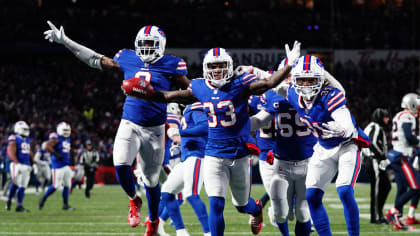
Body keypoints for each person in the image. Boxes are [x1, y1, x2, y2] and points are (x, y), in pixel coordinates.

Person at [128, 42, 301, 236]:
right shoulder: (200, 87)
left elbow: (269, 83)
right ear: (205, 68)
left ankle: (256, 209)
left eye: (220, 65)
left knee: (242, 205)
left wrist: (290, 64)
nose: (217, 70)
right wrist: (146, 94)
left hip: (239, 155)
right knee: (216, 203)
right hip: (213, 155)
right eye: (212, 66)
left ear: (229, 66)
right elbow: (168, 96)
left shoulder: (241, 84)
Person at [44, 21, 190, 235]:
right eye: (144, 43)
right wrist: (66, 41)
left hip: (155, 128)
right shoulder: (127, 57)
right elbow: (94, 59)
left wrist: (163, 96)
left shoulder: (172, 64)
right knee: (120, 163)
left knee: (151, 180)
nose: (147, 48)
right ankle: (133, 200)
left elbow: (192, 92)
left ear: (161, 45)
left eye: (151, 44)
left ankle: (154, 222)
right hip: (129, 121)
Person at [271, 55, 370, 236]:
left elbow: (346, 122)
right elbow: (270, 83)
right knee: (312, 197)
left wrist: (343, 130)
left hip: (346, 145)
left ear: (321, 79)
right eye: (302, 79)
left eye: (312, 80)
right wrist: (252, 70)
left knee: (345, 190)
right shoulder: (292, 93)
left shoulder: (329, 95)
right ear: (294, 79)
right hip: (323, 147)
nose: (307, 84)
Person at [161, 102, 210, 236]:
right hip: (187, 157)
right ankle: (181, 231)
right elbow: (194, 133)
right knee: (167, 191)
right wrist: (182, 146)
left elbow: (205, 127)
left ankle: (209, 232)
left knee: (191, 194)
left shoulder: (196, 107)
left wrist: (180, 132)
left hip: (197, 156)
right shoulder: (189, 109)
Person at [383, 93, 420, 230]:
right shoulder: (408, 116)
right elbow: (409, 137)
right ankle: (393, 212)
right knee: (416, 187)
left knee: (402, 188)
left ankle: (397, 219)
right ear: (411, 104)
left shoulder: (399, 115)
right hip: (402, 156)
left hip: (397, 154)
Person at [362, 108, 391, 224]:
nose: (387, 119)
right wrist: (382, 156)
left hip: (373, 160)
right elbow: (371, 142)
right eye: (385, 117)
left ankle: (379, 213)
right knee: (377, 189)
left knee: (386, 186)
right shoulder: (375, 127)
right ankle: (375, 217)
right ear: (380, 117)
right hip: (373, 160)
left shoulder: (373, 126)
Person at [38, 122, 75, 211]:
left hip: (66, 165)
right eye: (64, 130)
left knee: (67, 185)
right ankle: (43, 199)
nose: (66, 132)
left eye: (67, 130)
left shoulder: (67, 139)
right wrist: (55, 153)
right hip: (58, 166)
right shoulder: (57, 138)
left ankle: (65, 205)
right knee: (56, 185)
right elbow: (46, 146)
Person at [5, 121, 34, 212]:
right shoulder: (14, 138)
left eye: (26, 129)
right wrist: (16, 162)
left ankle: (19, 206)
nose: (26, 131)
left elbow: (28, 151)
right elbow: (11, 150)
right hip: (17, 164)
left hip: (26, 164)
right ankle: (9, 201)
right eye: (24, 129)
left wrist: (33, 161)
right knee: (15, 183)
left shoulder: (27, 139)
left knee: (23, 186)